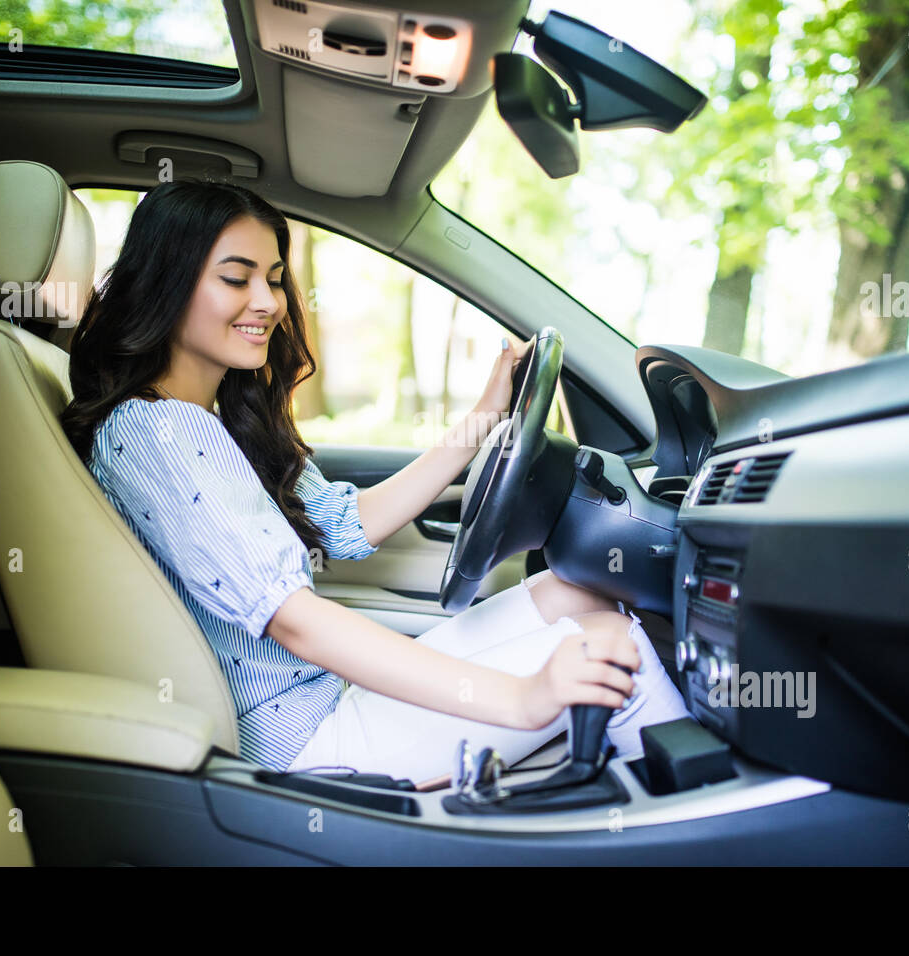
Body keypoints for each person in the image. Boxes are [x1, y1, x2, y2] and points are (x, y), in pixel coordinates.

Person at [60, 179, 690, 786]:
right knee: (612, 649)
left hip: (321, 696)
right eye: (235, 278)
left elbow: (343, 523)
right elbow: (294, 622)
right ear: (166, 285)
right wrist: (523, 699)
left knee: (571, 589)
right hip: (301, 742)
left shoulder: (218, 419)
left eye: (275, 280)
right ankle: (700, 827)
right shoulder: (157, 432)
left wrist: (483, 418)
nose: (268, 303)